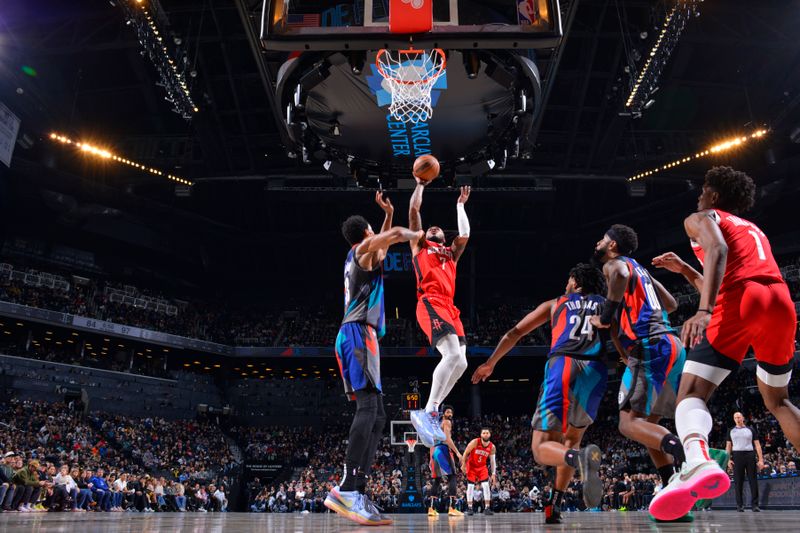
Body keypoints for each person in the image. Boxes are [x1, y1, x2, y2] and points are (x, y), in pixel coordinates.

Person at [648, 166, 800, 520]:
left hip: (741, 299)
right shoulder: (752, 228)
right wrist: (686, 271)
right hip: (779, 301)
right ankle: (696, 465)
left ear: (714, 196)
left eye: (703, 190)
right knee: (779, 401)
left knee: (691, 394)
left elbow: (717, 251)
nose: (699, 195)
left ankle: (698, 461)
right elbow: (732, 272)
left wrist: (702, 312)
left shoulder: (701, 216)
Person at [472, 264, 608, 524]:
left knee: (541, 447)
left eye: (569, 279)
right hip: (596, 371)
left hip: (564, 364)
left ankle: (580, 461)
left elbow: (516, 332)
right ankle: (554, 505)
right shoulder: (607, 304)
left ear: (576, 283)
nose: (566, 283)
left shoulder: (557, 303)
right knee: (572, 440)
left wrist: (491, 362)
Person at [325, 192, 423, 527]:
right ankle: (348, 487)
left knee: (378, 415)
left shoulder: (361, 256)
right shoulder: (360, 251)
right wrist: (415, 234)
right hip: (357, 335)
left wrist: (389, 212)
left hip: (360, 336)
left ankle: (358, 490)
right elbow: (392, 238)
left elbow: (382, 247)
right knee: (368, 409)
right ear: (367, 232)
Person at [590, 224, 689, 518]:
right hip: (672, 344)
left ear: (612, 246)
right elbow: (671, 304)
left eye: (603, 238)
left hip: (650, 347)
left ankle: (690, 453)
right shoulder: (641, 270)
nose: (598, 241)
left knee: (627, 424)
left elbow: (619, 275)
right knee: (648, 429)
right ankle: (673, 487)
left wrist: (606, 318)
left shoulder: (615, 265)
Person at [407, 181, 472, 447]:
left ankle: (432, 410)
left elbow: (465, 234)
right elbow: (413, 212)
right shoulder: (420, 247)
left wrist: (460, 205)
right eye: (430, 228)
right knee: (453, 354)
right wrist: (420, 185)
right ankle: (430, 410)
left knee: (463, 363)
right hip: (430, 301)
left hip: (450, 307)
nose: (433, 227)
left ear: (444, 237)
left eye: (438, 229)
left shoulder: (451, 254)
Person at [427, 405, 463, 517]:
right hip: (443, 449)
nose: (450, 415)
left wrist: (431, 457)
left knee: (437, 480)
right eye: (448, 412)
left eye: (451, 413)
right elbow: (447, 439)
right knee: (452, 476)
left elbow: (431, 442)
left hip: (435, 451)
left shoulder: (435, 425)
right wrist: (457, 452)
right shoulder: (446, 422)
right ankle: (452, 508)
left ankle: (431, 509)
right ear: (443, 413)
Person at [726, 412, 764, 512]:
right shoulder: (731, 430)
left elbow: (758, 445)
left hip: (750, 454)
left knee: (753, 480)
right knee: (738, 481)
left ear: (743, 418)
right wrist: (728, 459)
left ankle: (755, 505)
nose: (737, 419)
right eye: (735, 417)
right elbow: (728, 446)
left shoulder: (750, 429)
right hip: (737, 455)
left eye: (739, 417)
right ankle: (739, 505)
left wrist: (761, 460)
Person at [461, 427, 496, 516]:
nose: (485, 434)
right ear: (481, 435)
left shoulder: (492, 447)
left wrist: (493, 474)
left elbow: (492, 461)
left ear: (490, 434)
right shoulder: (475, 442)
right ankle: (469, 508)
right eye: (483, 433)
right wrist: (463, 464)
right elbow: (465, 453)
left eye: (487, 433)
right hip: (472, 466)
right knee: (471, 486)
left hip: (482, 467)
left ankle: (487, 507)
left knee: (486, 485)